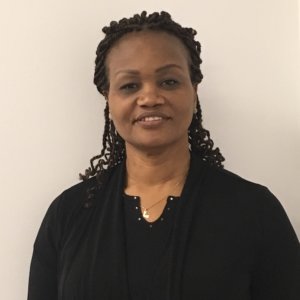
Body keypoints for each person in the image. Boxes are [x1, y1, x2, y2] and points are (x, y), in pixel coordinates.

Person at [27, 11, 300, 300]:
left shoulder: (254, 211)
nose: (150, 98)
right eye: (130, 85)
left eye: (168, 81)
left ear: (193, 90)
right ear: (108, 97)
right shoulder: (68, 214)